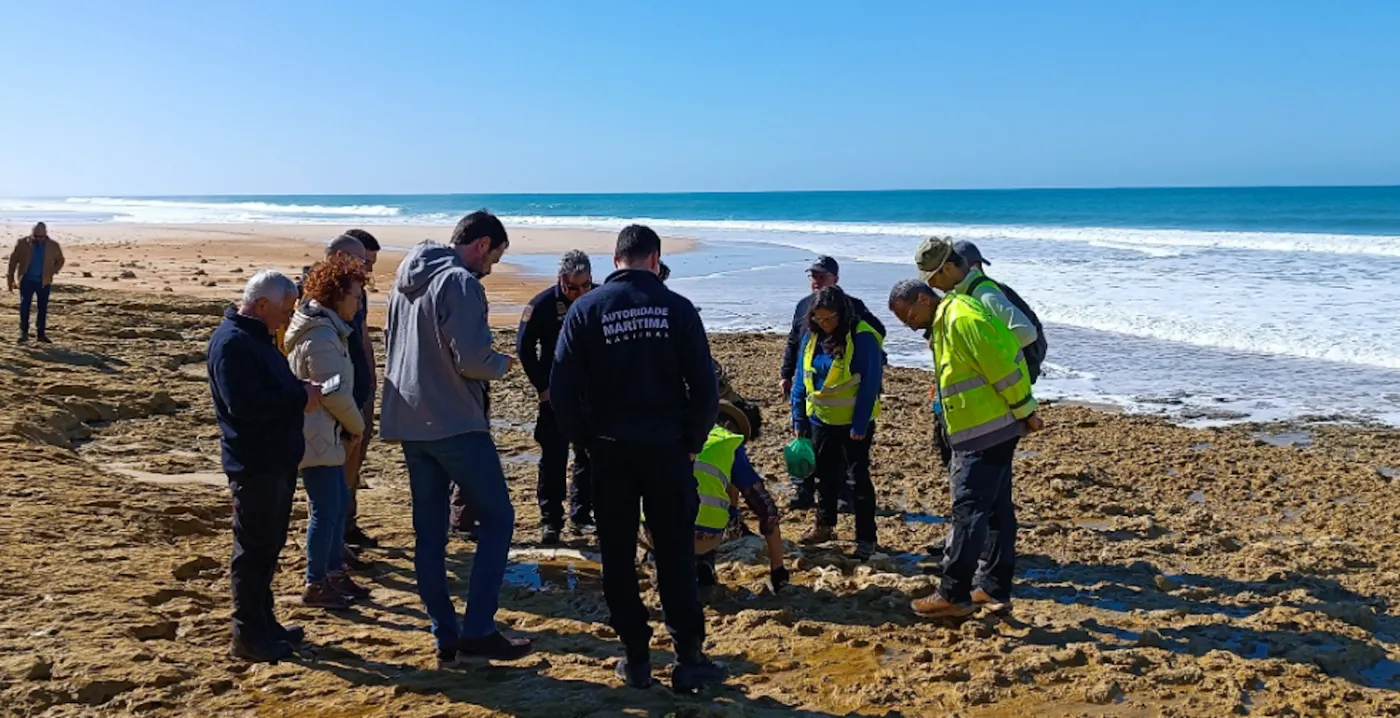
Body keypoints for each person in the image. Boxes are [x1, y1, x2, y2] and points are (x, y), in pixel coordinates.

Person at [549, 224, 726, 692]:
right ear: (655, 258)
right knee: (674, 554)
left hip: (610, 450)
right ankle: (688, 657)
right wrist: (692, 441)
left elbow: (561, 390)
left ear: (614, 259)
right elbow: (706, 390)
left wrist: (584, 441)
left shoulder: (587, 309)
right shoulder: (678, 308)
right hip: (667, 449)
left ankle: (637, 657)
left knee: (618, 556)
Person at [379, 210, 531, 666]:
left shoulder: (403, 285)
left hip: (409, 419)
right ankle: (479, 628)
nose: (491, 269)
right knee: (499, 518)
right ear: (482, 244)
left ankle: (445, 633)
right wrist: (501, 364)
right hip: (453, 422)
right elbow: (471, 359)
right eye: (495, 258)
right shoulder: (460, 282)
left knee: (430, 533)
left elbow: (393, 343)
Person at [908, 237, 1044, 619]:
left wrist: (1015, 396)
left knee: (970, 508)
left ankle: (955, 593)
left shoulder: (978, 301)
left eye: (934, 276)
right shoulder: (960, 302)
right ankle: (993, 589)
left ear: (952, 267)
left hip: (989, 418)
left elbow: (1019, 337)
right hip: (992, 416)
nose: (931, 285)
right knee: (998, 509)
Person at [208, 270, 320, 662]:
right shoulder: (233, 344)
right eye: (285, 311)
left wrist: (298, 393)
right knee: (253, 551)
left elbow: (271, 390)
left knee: (267, 548)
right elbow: (245, 405)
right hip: (255, 463)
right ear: (260, 306)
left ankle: (263, 622)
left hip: (275, 459)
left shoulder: (256, 338)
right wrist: (299, 398)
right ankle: (247, 635)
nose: (287, 319)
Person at [284, 254, 372, 610]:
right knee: (326, 509)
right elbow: (332, 389)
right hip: (318, 435)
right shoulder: (321, 335)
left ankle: (334, 572)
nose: (359, 302)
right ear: (336, 295)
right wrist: (357, 426)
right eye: (355, 295)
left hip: (326, 433)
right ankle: (316, 580)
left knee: (335, 507)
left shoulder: (327, 329)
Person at [644, 407, 789, 601]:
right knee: (715, 502)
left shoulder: (667, 430)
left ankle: (659, 563)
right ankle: (703, 562)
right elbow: (766, 510)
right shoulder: (728, 443)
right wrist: (778, 569)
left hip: (660, 533)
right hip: (705, 537)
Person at [779, 256, 884, 508]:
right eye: (813, 276)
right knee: (806, 442)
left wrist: (873, 366)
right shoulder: (803, 306)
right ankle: (804, 491)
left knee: (849, 459)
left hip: (845, 395)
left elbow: (878, 333)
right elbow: (794, 341)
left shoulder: (853, 307)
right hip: (811, 390)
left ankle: (844, 494)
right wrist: (786, 374)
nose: (816, 281)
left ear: (835, 279)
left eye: (822, 276)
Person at [790, 285, 884, 561]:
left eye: (830, 319)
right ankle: (824, 525)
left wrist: (858, 425)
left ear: (842, 314)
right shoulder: (811, 337)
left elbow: (870, 384)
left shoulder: (863, 337)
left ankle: (866, 538)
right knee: (824, 475)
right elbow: (801, 378)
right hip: (820, 418)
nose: (825, 324)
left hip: (854, 424)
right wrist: (799, 418)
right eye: (819, 319)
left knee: (858, 480)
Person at [517, 250, 596, 544]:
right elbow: (524, 349)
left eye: (585, 286)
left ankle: (581, 514)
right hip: (555, 394)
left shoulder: (598, 299)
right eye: (572, 287)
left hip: (590, 394)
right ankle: (550, 520)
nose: (579, 293)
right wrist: (542, 387)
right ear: (560, 280)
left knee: (588, 455)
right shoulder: (541, 305)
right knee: (553, 456)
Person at [334, 230, 382, 549]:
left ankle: (348, 525)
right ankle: (334, 542)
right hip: (337, 393)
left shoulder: (359, 293)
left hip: (359, 390)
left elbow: (363, 337)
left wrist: (373, 380)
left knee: (355, 465)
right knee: (334, 472)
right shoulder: (325, 293)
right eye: (366, 263)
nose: (369, 272)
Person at [888, 279, 953, 467]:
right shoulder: (937, 330)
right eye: (906, 324)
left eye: (911, 318)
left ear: (923, 299)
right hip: (945, 412)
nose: (913, 327)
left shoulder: (954, 322)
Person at [7, 222, 65, 344]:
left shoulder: (53, 245)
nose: (38, 239)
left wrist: (52, 272)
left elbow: (60, 260)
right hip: (26, 281)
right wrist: (10, 279)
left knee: (42, 308)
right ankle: (24, 333)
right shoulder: (23, 243)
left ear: (45, 234)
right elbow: (13, 262)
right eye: (35, 236)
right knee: (24, 307)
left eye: (40, 237)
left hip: (43, 282)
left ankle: (41, 334)